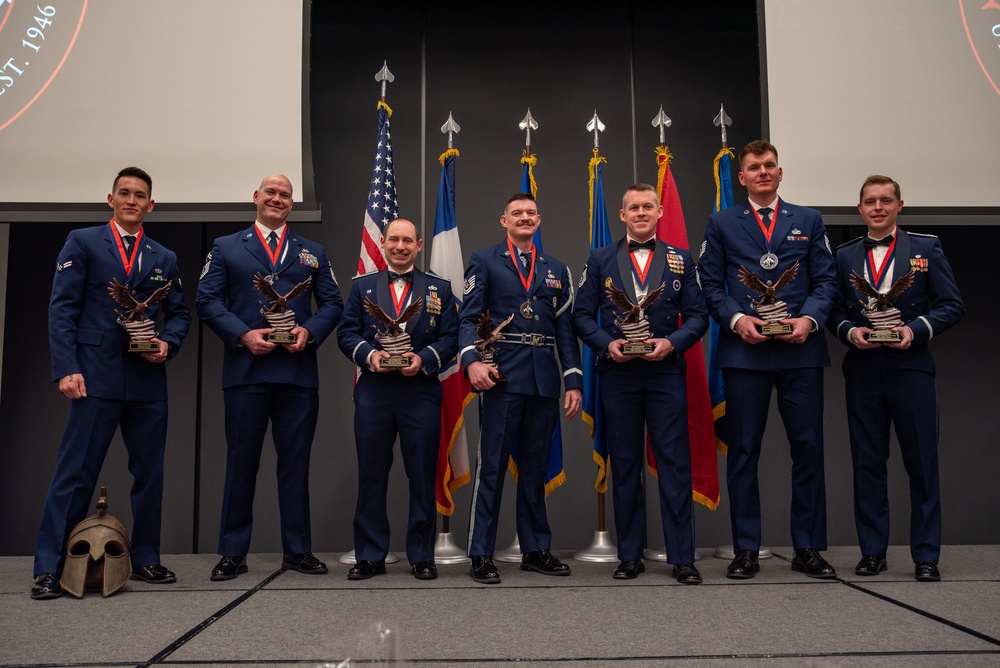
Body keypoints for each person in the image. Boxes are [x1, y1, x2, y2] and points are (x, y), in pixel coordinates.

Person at [32, 166, 191, 600]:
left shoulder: (164, 257)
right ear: (111, 199)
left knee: (150, 475)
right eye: (125, 193)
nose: (132, 200)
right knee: (75, 474)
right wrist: (66, 367)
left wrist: (167, 343)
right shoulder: (82, 242)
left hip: (146, 381)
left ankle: (147, 560)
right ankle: (48, 568)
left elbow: (178, 314)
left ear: (151, 205)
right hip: (94, 377)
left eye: (140, 195)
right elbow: (61, 308)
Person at [698, 140, 839, 579]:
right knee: (743, 452)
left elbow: (827, 280)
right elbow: (709, 284)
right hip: (745, 352)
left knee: (809, 450)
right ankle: (746, 550)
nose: (762, 172)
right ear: (741, 178)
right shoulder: (721, 222)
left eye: (769, 166)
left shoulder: (809, 220)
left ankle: (809, 549)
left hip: (800, 350)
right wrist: (737, 319)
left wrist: (811, 321)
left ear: (781, 173)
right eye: (754, 167)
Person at [196, 174, 342, 580]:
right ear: (256, 198)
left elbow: (332, 303)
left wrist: (309, 331)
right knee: (241, 464)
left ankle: (297, 550)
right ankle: (232, 552)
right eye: (271, 193)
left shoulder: (312, 252)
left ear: (292, 204)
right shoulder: (226, 247)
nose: (277, 199)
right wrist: (242, 334)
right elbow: (206, 299)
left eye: (285, 195)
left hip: (297, 374)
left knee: (295, 465)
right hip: (247, 371)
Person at [828, 175, 964, 582]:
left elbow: (952, 304)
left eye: (886, 200)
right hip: (864, 372)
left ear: (899, 205)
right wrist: (850, 333)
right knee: (868, 464)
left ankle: (926, 556)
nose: (878, 207)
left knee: (922, 464)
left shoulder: (926, 247)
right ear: (860, 209)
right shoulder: (844, 255)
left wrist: (916, 329)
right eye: (870, 201)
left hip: (911, 370)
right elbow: (832, 309)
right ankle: (872, 552)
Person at [573, 184, 709, 583]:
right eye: (634, 208)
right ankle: (630, 555)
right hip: (618, 375)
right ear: (622, 215)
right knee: (626, 465)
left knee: (674, 465)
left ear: (660, 211)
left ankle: (683, 557)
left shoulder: (681, 259)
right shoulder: (600, 259)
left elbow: (699, 316)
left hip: (665, 371)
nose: (641, 213)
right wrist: (607, 343)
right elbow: (581, 316)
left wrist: (672, 342)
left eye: (648, 207)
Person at [458, 192, 583, 584]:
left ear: (539, 219)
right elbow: (468, 318)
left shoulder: (556, 269)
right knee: (491, 467)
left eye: (530, 213)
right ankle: (481, 553)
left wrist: (573, 380)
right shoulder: (484, 260)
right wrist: (471, 362)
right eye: (517, 213)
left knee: (535, 468)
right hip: (501, 376)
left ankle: (535, 549)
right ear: (504, 220)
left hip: (544, 378)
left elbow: (565, 331)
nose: (524, 218)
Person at [337, 218, 458, 581]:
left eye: (408, 241)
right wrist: (369, 356)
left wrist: (424, 360)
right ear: (384, 243)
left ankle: (422, 555)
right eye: (394, 240)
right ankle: (371, 554)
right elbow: (346, 333)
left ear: (419, 245)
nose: (400, 246)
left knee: (422, 475)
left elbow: (452, 338)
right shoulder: (362, 287)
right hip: (375, 391)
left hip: (420, 391)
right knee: (372, 474)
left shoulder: (439, 287)